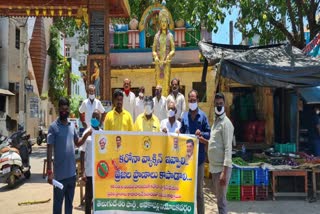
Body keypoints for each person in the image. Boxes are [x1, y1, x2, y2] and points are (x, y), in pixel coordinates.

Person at [47, 97, 92, 214]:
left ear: (68, 110)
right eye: (62, 110)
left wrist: (86, 135)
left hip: (72, 175)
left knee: (69, 206)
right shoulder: (53, 127)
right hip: (59, 176)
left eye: (66, 110)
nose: (64, 112)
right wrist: (49, 172)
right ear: (59, 110)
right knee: (57, 207)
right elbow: (49, 148)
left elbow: (77, 142)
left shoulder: (72, 126)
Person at [179, 89, 210, 214]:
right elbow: (181, 132)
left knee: (199, 193)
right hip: (186, 160)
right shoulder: (184, 116)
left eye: (194, 100)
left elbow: (209, 133)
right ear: (188, 100)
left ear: (198, 100)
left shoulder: (202, 116)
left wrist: (201, 133)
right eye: (190, 100)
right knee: (186, 190)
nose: (192, 102)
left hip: (199, 160)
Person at [208, 93, 234, 214]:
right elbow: (214, 142)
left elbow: (228, 148)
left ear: (225, 105)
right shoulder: (216, 121)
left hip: (221, 169)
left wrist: (224, 172)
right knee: (218, 200)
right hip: (214, 168)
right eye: (217, 104)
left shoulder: (226, 123)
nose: (219, 106)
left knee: (222, 202)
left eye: (221, 104)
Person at [79, 110, 101, 214]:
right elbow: (82, 154)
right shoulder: (86, 133)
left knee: (98, 197)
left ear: (100, 120)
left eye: (97, 117)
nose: (95, 119)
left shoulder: (102, 133)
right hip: (89, 172)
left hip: (100, 173)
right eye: (93, 117)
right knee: (88, 197)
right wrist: (82, 171)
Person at [152, 9, 175, 96]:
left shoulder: (170, 36)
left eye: (165, 21)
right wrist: (156, 57)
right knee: (158, 83)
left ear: (168, 23)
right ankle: (159, 101)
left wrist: (169, 55)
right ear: (160, 23)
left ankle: (165, 100)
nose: (164, 23)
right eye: (162, 22)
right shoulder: (156, 36)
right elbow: (153, 50)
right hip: (158, 63)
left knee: (166, 83)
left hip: (166, 63)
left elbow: (173, 50)